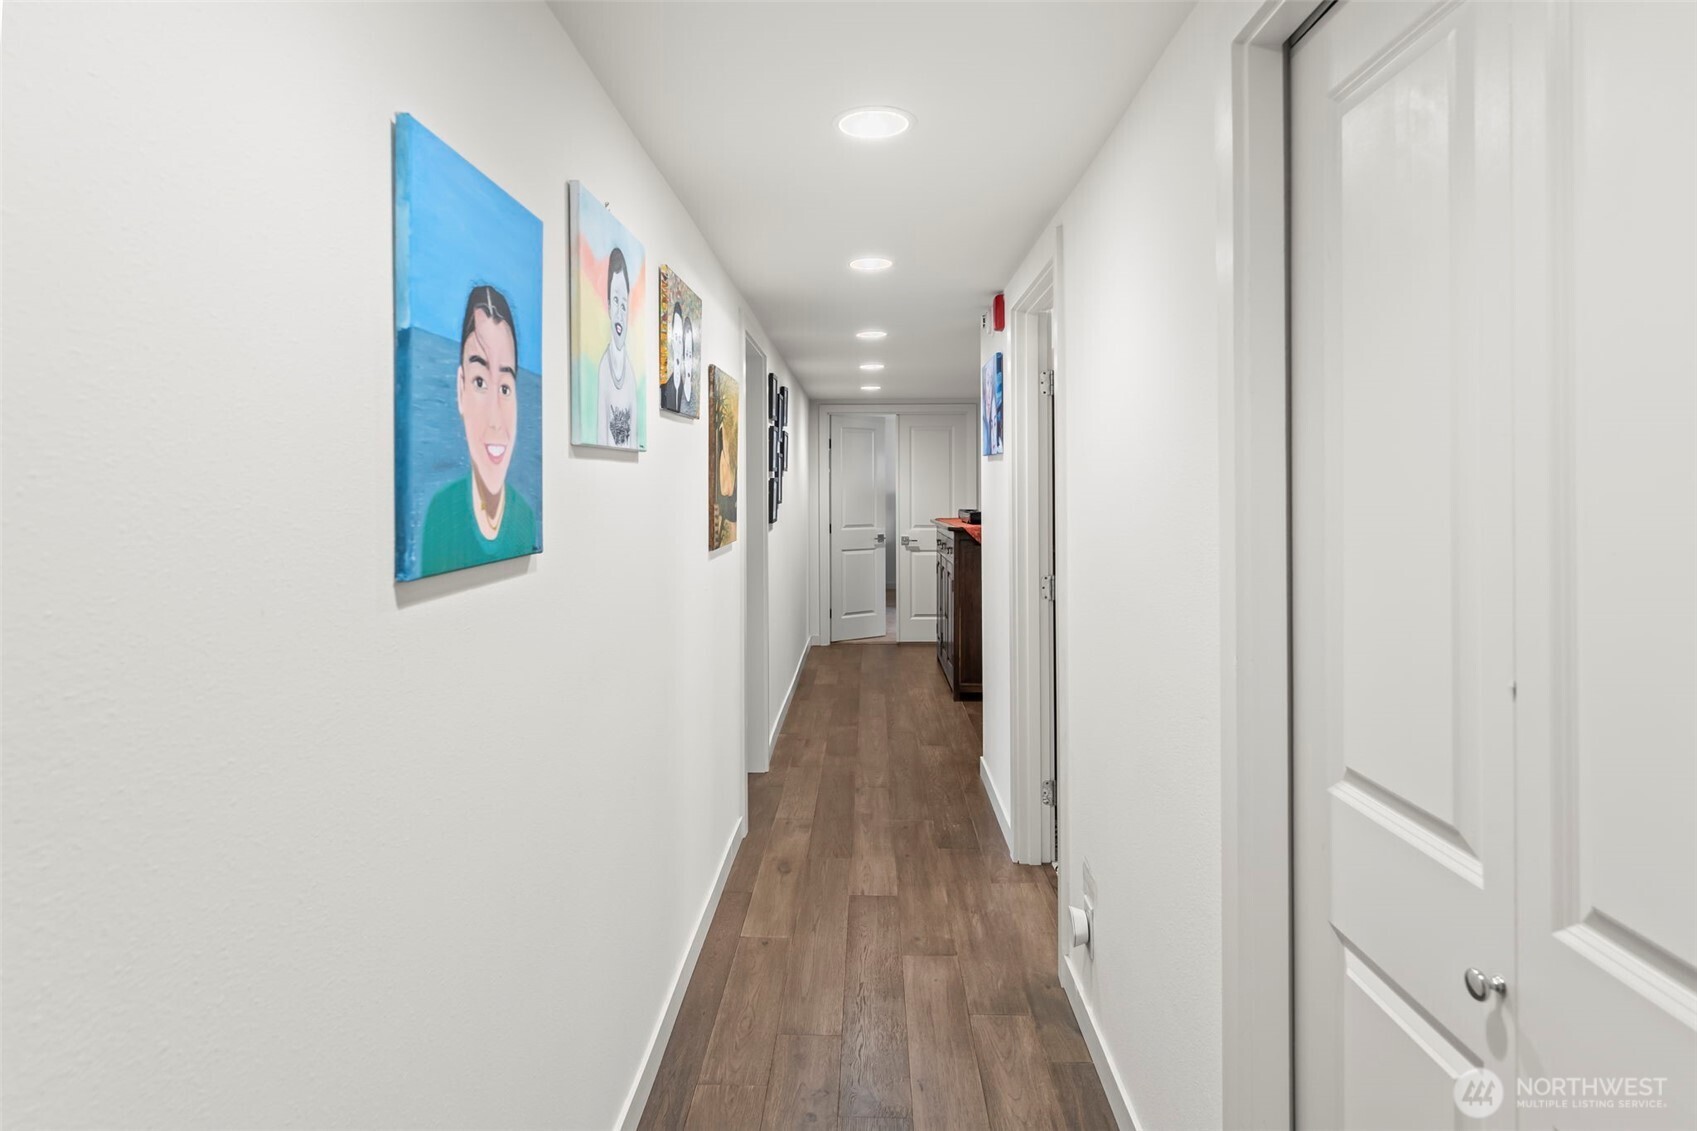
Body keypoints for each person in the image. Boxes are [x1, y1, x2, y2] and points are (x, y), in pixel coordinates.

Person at [419, 285, 537, 574]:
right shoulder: (441, 516)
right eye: (480, 382)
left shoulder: (525, 519)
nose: (495, 419)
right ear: (461, 390)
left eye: (505, 388)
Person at [597, 246, 636, 446]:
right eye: (615, 300)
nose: (620, 313)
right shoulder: (604, 368)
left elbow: (635, 439)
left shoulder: (631, 376)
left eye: (624, 305)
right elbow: (600, 437)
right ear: (608, 306)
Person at [661, 301, 683, 414]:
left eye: (681, 340)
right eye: (676, 338)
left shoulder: (686, 390)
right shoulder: (665, 386)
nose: (678, 345)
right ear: (672, 342)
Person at [679, 313, 697, 416]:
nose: (688, 358)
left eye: (690, 354)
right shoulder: (677, 387)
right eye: (686, 354)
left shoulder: (694, 394)